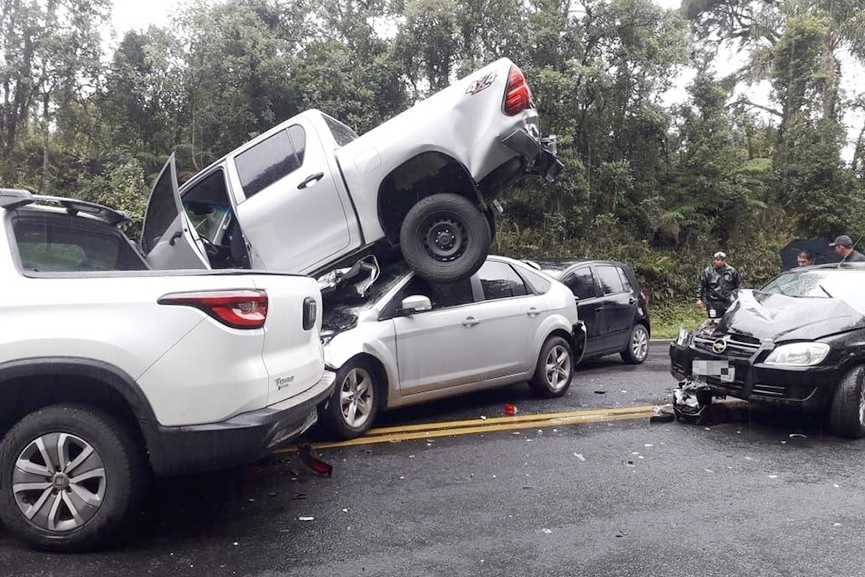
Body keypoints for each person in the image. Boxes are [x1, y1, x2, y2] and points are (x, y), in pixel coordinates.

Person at [695, 251, 741, 319]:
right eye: (717, 260)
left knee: (729, 322)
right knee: (714, 322)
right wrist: (699, 299)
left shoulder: (731, 271)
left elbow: (738, 285)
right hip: (713, 303)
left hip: (728, 302)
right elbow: (701, 285)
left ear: (725, 260)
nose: (719, 262)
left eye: (722, 260)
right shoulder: (708, 271)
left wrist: (739, 298)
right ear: (714, 260)